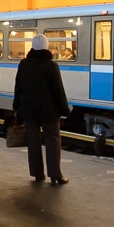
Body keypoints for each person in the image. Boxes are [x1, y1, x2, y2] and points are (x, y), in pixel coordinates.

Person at [13, 33, 71, 184]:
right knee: (53, 140)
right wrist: (64, 110)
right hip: (49, 111)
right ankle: (55, 174)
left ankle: (37, 173)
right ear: (46, 47)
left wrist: (16, 107)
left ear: (32, 47)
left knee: (33, 141)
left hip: (29, 109)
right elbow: (58, 90)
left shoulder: (24, 64)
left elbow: (18, 87)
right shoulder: (51, 65)